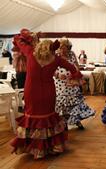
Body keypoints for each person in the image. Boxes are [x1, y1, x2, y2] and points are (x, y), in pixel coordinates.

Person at [10, 29, 82, 159]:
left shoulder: (30, 54)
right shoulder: (56, 59)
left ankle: (35, 148)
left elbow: (17, 39)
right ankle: (51, 146)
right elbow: (74, 69)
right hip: (49, 92)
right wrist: (74, 79)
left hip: (31, 92)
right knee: (47, 117)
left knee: (33, 117)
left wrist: (30, 36)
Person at [54, 38, 95, 130]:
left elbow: (76, 65)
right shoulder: (55, 55)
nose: (61, 49)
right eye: (60, 47)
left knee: (75, 102)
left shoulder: (71, 54)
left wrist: (78, 76)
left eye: (63, 47)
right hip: (61, 84)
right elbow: (50, 69)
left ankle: (77, 121)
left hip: (72, 82)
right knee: (63, 104)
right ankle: (64, 124)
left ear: (68, 47)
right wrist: (58, 75)